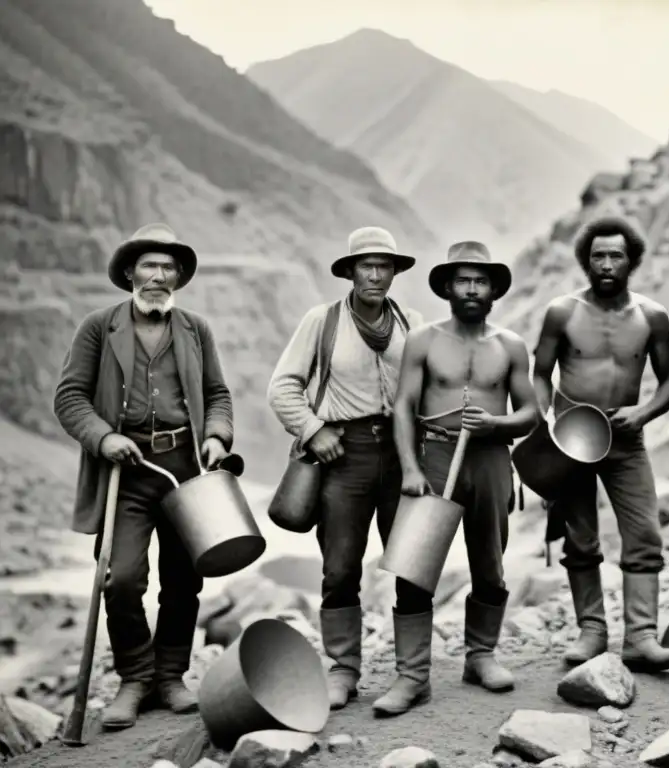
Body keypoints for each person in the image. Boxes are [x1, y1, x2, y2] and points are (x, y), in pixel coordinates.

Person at [53, 223, 234, 730]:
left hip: (185, 469)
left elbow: (218, 395)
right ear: (130, 272)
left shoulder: (196, 329)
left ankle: (171, 676)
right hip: (124, 472)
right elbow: (69, 397)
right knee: (120, 575)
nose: (158, 276)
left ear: (178, 277)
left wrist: (217, 436)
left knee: (184, 578)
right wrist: (103, 437)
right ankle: (135, 677)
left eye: (168, 267)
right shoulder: (98, 326)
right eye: (149, 266)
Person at [266, 226, 424, 713]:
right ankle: (343, 670)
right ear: (350, 271)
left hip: (402, 455)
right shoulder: (323, 320)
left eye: (385, 266)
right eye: (366, 266)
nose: (376, 275)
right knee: (339, 568)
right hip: (344, 455)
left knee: (411, 566)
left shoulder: (412, 322)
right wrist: (315, 430)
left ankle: (413, 675)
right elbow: (282, 387)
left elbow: (432, 389)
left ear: (395, 272)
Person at [389, 241, 538, 714]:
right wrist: (411, 468)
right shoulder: (424, 340)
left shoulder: (510, 346)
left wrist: (498, 425)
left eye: (480, 281)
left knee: (490, 565)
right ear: (448, 288)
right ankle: (412, 677)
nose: (471, 289)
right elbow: (403, 407)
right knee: (413, 569)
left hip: (491, 459)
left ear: (493, 289)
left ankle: (481, 656)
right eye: (463, 281)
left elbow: (532, 411)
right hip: (434, 455)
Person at [532, 215, 669, 673]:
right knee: (580, 539)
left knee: (644, 534)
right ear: (585, 260)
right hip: (573, 439)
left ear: (631, 260)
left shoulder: (651, 317)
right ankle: (592, 632)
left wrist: (643, 412)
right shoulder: (562, 312)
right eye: (597, 255)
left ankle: (640, 638)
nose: (606, 263)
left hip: (627, 442)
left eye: (615, 255)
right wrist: (545, 421)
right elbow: (540, 374)